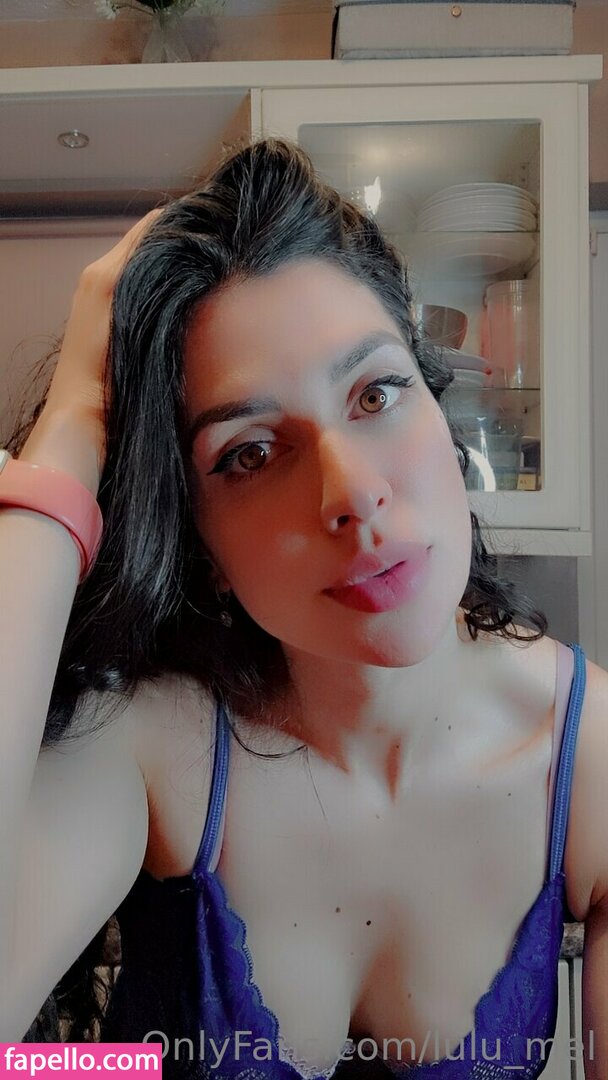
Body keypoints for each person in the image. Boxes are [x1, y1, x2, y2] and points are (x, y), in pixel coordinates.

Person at [0, 138, 607, 1080]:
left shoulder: (586, 754)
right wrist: (72, 429)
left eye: (378, 392)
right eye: (249, 452)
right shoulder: (155, 747)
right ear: (202, 547)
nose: (352, 492)